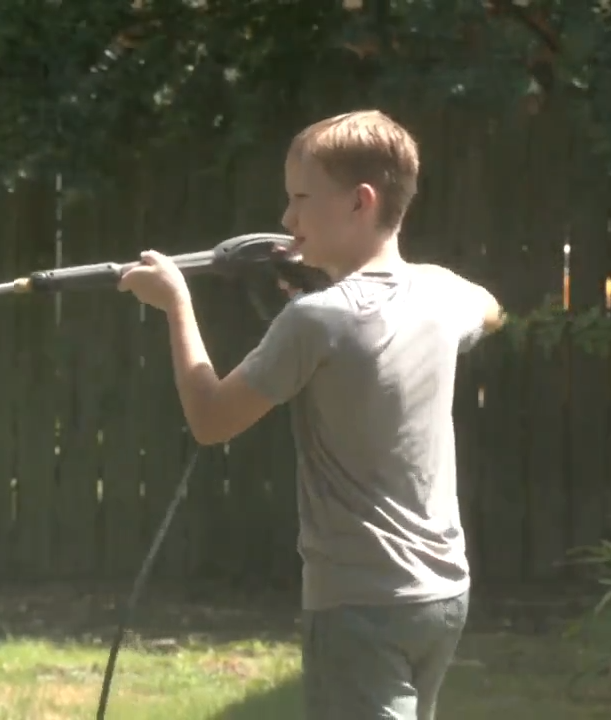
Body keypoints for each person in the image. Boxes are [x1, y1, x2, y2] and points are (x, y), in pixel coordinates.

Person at [118, 109, 506, 720]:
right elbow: (488, 308)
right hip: (442, 593)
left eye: (301, 199)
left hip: (361, 601)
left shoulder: (315, 320)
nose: (287, 219)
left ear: (361, 201)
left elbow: (211, 418)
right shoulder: (438, 292)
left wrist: (175, 303)